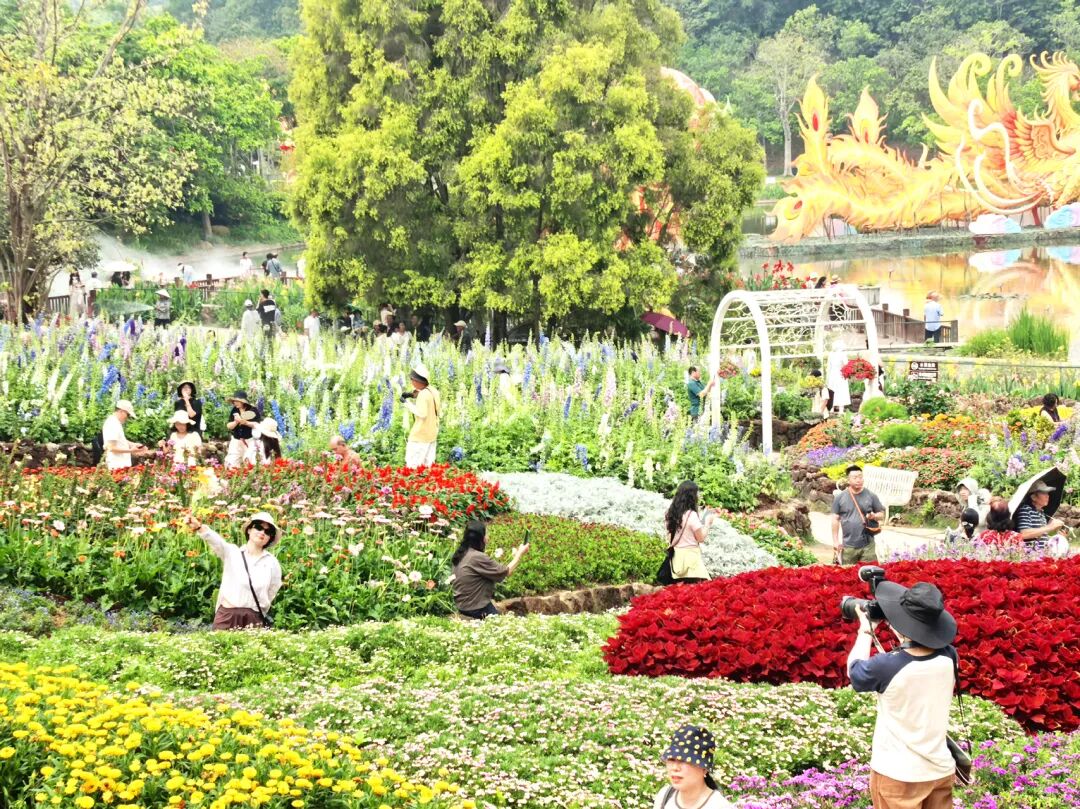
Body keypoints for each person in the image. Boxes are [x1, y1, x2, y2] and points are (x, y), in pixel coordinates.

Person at [848, 579, 959, 809]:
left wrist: (866, 629)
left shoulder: (887, 666)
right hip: (940, 770)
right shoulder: (949, 657)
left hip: (898, 775)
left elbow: (855, 671)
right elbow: (923, 648)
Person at [184, 510, 282, 630]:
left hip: (253, 618)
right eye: (258, 527)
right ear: (249, 530)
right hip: (227, 615)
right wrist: (199, 527)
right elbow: (216, 541)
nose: (262, 532)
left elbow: (273, 589)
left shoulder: (272, 562)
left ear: (270, 538)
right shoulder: (233, 553)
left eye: (268, 531)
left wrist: (259, 609)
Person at [450, 520, 529, 619]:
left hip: (463, 605)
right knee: (502, 623)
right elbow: (505, 572)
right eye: (487, 534)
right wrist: (520, 554)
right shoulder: (477, 557)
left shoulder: (462, 552)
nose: (488, 537)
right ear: (481, 538)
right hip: (477, 608)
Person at [653, 725, 734, 809]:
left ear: (704, 768)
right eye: (671, 759)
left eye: (684, 760)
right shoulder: (664, 796)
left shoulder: (719, 806)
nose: (675, 768)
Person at [831, 465, 885, 565]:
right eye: (855, 477)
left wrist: (874, 516)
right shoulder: (840, 497)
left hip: (868, 544)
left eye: (860, 477)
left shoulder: (871, 495)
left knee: (869, 571)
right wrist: (835, 541)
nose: (858, 480)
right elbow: (835, 519)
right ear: (848, 480)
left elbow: (881, 514)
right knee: (848, 572)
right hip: (848, 546)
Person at [664, 480, 716, 583]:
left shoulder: (670, 513)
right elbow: (700, 538)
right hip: (691, 560)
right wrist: (707, 523)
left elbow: (670, 537)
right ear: (692, 496)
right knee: (699, 588)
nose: (699, 495)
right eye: (697, 493)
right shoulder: (691, 515)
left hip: (676, 559)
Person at [401, 362, 442, 468]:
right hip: (431, 434)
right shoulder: (433, 390)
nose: (411, 382)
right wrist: (411, 394)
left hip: (420, 436)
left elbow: (422, 413)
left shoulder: (423, 395)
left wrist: (406, 403)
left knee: (413, 466)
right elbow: (425, 394)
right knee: (428, 467)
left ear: (417, 381)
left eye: (412, 379)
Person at [1013, 481, 1069, 554]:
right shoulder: (1025, 510)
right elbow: (1024, 534)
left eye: (1047, 493)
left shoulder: (1041, 512)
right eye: (1044, 493)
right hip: (1030, 556)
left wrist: (1057, 538)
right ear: (1033, 497)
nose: (1047, 496)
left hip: (1041, 555)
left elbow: (1041, 536)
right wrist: (1050, 527)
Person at [102, 400, 144, 471]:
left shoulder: (116, 422)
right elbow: (111, 448)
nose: (127, 417)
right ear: (121, 411)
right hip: (117, 466)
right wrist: (131, 451)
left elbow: (119, 440)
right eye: (128, 414)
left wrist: (133, 444)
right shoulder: (112, 424)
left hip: (121, 465)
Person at [224, 391, 261, 468]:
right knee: (231, 463)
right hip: (236, 440)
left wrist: (245, 422)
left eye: (237, 401)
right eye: (234, 401)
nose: (235, 403)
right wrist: (236, 422)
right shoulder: (234, 410)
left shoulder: (252, 410)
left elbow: (257, 425)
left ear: (243, 402)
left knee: (249, 462)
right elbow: (229, 426)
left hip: (250, 441)